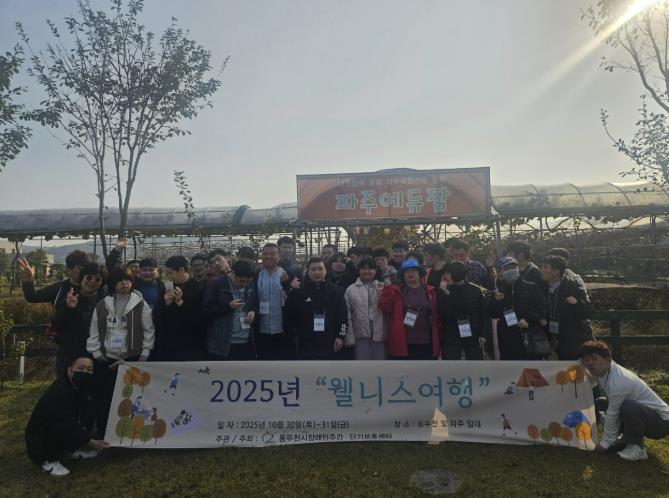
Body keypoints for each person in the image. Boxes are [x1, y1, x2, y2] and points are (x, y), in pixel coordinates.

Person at [87, 267, 154, 436]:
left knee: (131, 398)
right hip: (107, 360)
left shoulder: (140, 303)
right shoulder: (103, 304)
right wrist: (96, 353)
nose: (125, 284)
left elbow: (148, 329)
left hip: (132, 359)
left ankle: (130, 433)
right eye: (120, 280)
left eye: (128, 280)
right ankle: (104, 432)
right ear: (113, 283)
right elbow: (94, 329)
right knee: (105, 398)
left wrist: (145, 353)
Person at [581, 341, 669, 461]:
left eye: (594, 358)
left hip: (662, 423)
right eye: (586, 359)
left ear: (607, 359)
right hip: (648, 416)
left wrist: (605, 443)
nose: (590, 363)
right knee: (601, 403)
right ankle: (625, 439)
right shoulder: (605, 371)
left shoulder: (620, 381)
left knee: (628, 406)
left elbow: (613, 413)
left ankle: (637, 447)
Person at [25, 356, 110, 477]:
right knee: (61, 424)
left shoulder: (80, 387)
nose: (85, 372)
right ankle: (48, 460)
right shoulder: (60, 390)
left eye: (89, 369)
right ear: (70, 370)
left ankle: (66, 451)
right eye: (81, 368)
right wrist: (91, 442)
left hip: (63, 426)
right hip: (40, 438)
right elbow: (66, 421)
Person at [285, 257, 347, 360]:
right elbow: (290, 315)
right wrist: (292, 292)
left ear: (325, 270)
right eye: (313, 269)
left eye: (320, 269)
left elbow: (343, 318)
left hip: (330, 343)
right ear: (308, 272)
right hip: (306, 344)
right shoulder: (300, 291)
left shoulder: (337, 291)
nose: (317, 272)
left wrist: (341, 337)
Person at [52, 263, 106, 379]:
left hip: (97, 357)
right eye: (89, 277)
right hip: (70, 356)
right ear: (82, 278)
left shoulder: (106, 302)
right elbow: (56, 326)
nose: (92, 281)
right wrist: (69, 309)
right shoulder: (69, 298)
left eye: (97, 279)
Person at [378, 258, 441, 360]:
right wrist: (387, 290)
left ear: (419, 273)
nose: (410, 273)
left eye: (414, 270)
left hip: (426, 340)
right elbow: (384, 307)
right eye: (406, 271)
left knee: (425, 369)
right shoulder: (396, 290)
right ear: (402, 275)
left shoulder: (429, 290)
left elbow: (436, 314)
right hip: (402, 341)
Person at [487, 257, 547, 360]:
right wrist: (497, 301)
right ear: (500, 273)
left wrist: (528, 320)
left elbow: (543, 309)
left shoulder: (532, 287)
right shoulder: (499, 292)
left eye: (513, 267)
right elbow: (493, 314)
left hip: (530, 337)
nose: (511, 271)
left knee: (531, 368)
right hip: (507, 340)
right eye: (507, 269)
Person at [152, 256, 206, 361]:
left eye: (170, 273)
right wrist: (165, 303)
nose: (168, 277)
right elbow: (156, 315)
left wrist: (181, 303)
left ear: (181, 270)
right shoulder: (167, 288)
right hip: (168, 344)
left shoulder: (198, 288)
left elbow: (199, 319)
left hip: (190, 345)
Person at [540, 255, 593, 360]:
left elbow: (588, 312)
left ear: (556, 272)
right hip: (550, 338)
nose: (541, 270)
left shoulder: (572, 287)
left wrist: (576, 304)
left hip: (572, 341)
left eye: (545, 267)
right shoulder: (541, 288)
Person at [203, 260, 257, 361]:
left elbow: (254, 305)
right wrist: (228, 306)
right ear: (233, 273)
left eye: (248, 281)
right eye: (241, 281)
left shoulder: (250, 285)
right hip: (223, 343)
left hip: (246, 341)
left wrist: (252, 312)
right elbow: (207, 311)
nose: (245, 284)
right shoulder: (217, 285)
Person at [250, 243, 295, 360]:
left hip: (282, 327)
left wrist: (286, 284)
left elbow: (295, 298)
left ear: (279, 256)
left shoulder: (288, 273)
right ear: (261, 256)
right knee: (264, 360)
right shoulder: (256, 275)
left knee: (281, 360)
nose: (268, 256)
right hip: (261, 327)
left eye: (272, 254)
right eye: (265, 254)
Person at [437, 261, 487, 360]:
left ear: (457, 273)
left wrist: (483, 334)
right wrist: (447, 294)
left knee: (475, 366)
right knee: (451, 366)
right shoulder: (443, 290)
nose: (446, 276)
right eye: (445, 273)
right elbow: (444, 314)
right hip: (451, 337)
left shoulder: (475, 290)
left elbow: (483, 314)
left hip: (473, 336)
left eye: (448, 273)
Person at [344, 258, 387, 360]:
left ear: (375, 270)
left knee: (380, 366)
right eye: (363, 268)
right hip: (360, 336)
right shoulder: (351, 289)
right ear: (358, 270)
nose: (366, 271)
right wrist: (349, 337)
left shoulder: (383, 287)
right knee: (362, 366)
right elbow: (347, 315)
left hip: (380, 335)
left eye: (370, 268)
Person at [17, 250, 90, 309]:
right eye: (80, 269)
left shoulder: (92, 289)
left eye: (86, 269)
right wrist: (27, 280)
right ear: (69, 270)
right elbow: (32, 297)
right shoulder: (59, 288)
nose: (84, 272)